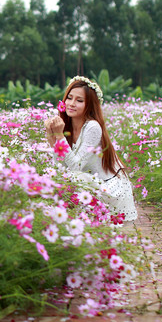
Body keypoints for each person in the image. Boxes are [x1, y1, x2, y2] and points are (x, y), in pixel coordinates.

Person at [43, 76, 137, 222]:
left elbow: (76, 166)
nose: (71, 104)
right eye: (69, 98)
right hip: (89, 182)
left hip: (109, 188)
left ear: (89, 105)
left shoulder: (92, 127)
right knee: (55, 177)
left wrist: (59, 136)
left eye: (79, 100)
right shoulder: (67, 126)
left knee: (72, 178)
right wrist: (52, 139)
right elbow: (60, 166)